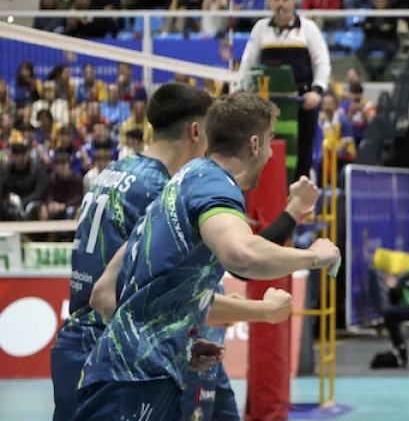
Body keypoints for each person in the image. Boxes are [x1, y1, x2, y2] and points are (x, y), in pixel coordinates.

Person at [73, 92, 341, 421]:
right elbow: (242, 255)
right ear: (254, 144)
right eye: (271, 142)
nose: (272, 154)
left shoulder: (181, 181)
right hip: (139, 381)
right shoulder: (214, 187)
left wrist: (176, 339)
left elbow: (104, 292)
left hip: (126, 372)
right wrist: (314, 255)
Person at [51, 84, 212, 421]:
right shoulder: (164, 192)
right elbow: (164, 293)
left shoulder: (111, 171)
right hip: (111, 356)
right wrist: (266, 309)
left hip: (74, 340)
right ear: (196, 131)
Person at [238, 0, 332, 181]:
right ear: (270, 2)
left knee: (301, 153)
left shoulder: (308, 28)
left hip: (301, 103)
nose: (281, 4)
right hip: (266, 103)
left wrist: (316, 91)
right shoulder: (261, 28)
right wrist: (243, 89)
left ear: (293, 2)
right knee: (263, 152)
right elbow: (247, 62)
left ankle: (297, 200)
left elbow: (322, 63)